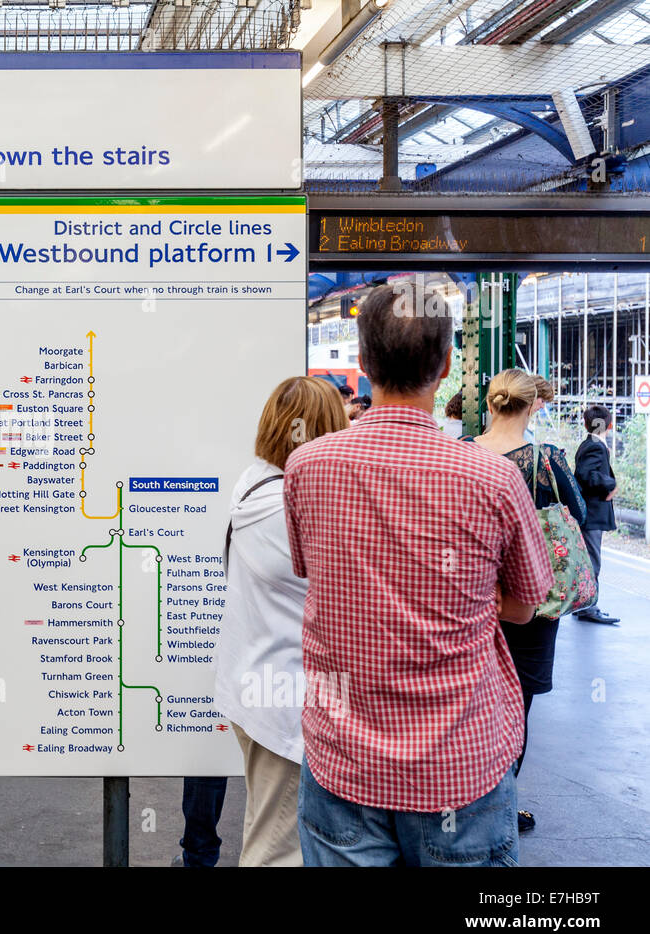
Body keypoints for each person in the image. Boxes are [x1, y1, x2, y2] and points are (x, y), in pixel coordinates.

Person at [283, 283, 553, 867]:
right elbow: (526, 605)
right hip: (460, 766)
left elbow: (316, 571)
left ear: (362, 362)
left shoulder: (307, 467)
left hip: (344, 763)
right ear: (449, 366)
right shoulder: (494, 480)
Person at [213, 376, 348, 867]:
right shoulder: (287, 508)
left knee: (266, 824)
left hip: (252, 684)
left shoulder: (254, 483)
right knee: (279, 849)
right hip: (283, 698)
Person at [467, 369, 586, 834]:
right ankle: (500, 802)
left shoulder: (462, 454)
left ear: (491, 404)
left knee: (473, 702)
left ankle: (462, 797)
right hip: (532, 604)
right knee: (518, 706)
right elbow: (574, 516)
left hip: (473, 597)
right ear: (534, 405)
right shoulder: (548, 460)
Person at [573, 405, 619, 626]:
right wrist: (611, 483)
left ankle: (583, 604)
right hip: (592, 512)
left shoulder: (589, 444)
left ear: (585, 423)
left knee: (587, 559)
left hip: (587, 511)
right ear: (608, 425)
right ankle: (589, 607)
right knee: (592, 561)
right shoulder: (595, 447)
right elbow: (586, 474)